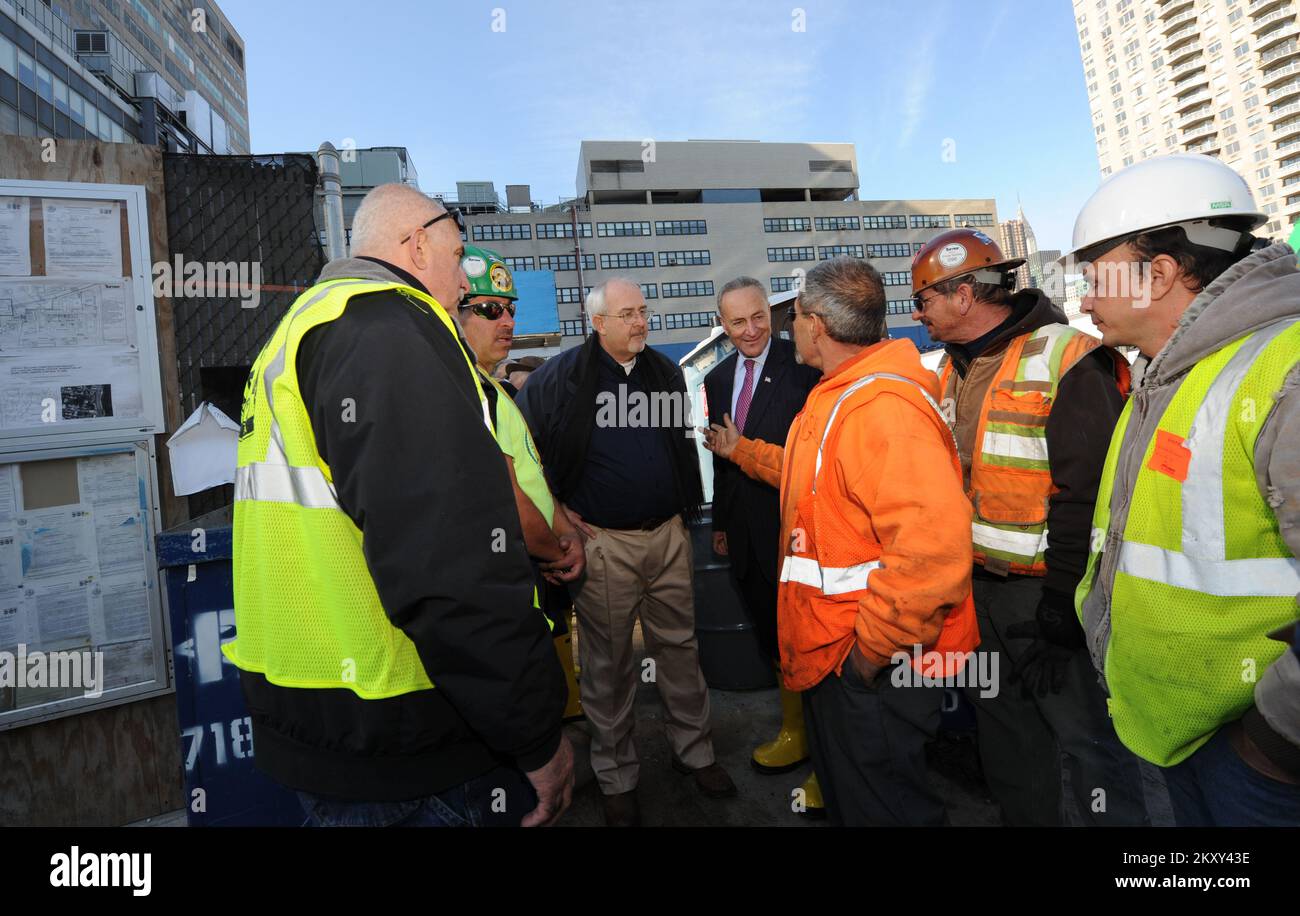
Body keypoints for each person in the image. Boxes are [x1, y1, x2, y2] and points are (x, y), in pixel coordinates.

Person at [225, 184, 573, 828]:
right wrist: (535, 736)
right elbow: (449, 562)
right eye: (457, 255)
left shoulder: (301, 328)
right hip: (402, 731)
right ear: (416, 246)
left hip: (322, 716)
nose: (462, 285)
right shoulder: (384, 327)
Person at [1068, 152, 1300, 825]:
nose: (1083, 301)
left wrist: (1272, 741)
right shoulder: (1165, 375)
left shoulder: (1284, 370)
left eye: (1095, 279)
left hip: (1259, 763)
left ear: (1161, 273)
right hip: (1181, 737)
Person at [710, 257, 978, 826]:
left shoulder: (882, 409)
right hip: (836, 653)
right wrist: (742, 452)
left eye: (793, 316)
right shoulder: (839, 395)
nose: (786, 327)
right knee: (855, 800)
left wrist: (867, 659)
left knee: (887, 808)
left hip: (868, 661)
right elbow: (811, 475)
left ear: (817, 325)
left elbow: (933, 556)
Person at [908, 227, 1146, 826]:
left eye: (924, 299)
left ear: (964, 295)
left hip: (1047, 595)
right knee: (1007, 735)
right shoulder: (950, 371)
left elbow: (1091, 495)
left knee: (1087, 741)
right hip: (976, 591)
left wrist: (1062, 606)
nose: (917, 313)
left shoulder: (1069, 357)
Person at [517, 277, 735, 826]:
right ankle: (616, 777)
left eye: (643, 310)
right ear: (598, 324)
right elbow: (520, 449)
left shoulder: (663, 372)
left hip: (668, 535)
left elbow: (677, 448)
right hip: (604, 544)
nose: (641, 322)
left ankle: (696, 753)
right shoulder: (562, 378)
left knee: (680, 650)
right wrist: (558, 511)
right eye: (628, 314)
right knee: (609, 664)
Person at [456, 244, 583, 720]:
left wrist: (564, 529)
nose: (507, 321)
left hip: (525, 583)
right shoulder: (465, 389)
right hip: (505, 592)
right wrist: (556, 550)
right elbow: (507, 494)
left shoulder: (491, 388)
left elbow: (532, 479)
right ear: (454, 311)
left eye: (510, 309)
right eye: (490, 310)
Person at [703, 279, 820, 794]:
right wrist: (722, 524)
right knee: (771, 632)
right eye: (737, 322)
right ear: (723, 326)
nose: (751, 330)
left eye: (758, 317)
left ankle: (829, 754)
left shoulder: (805, 366)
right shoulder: (716, 379)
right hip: (745, 531)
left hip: (798, 530)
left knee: (811, 635)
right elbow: (722, 456)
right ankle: (796, 731)